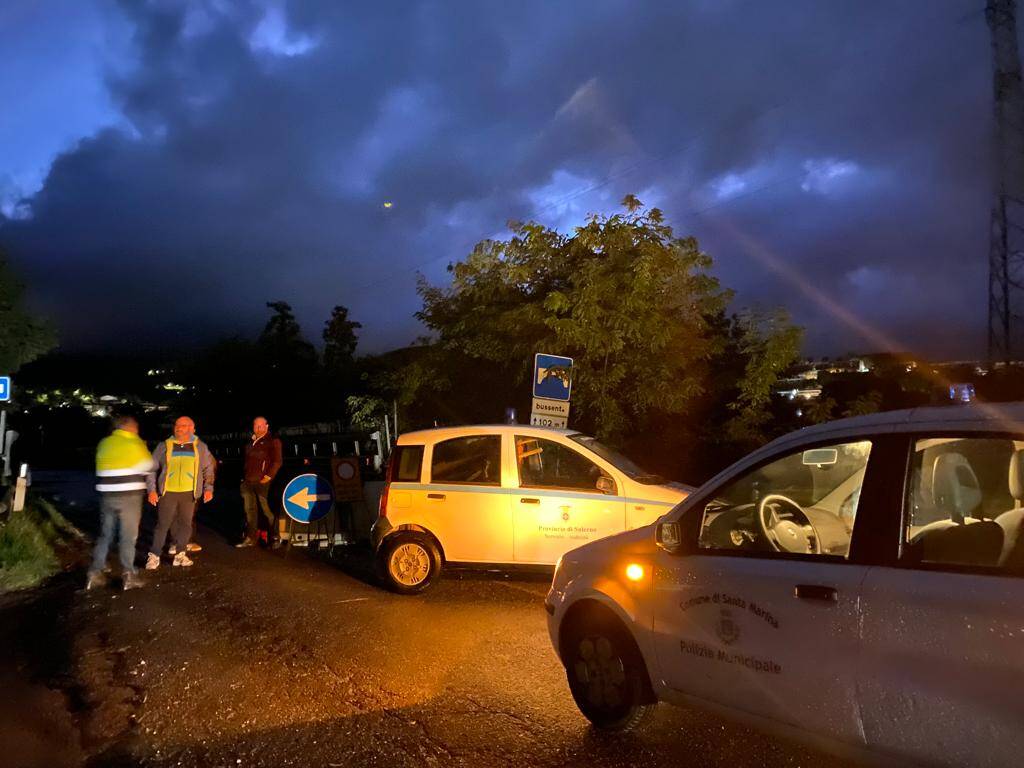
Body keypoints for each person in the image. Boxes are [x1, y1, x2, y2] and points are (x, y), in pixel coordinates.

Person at [87, 414, 153, 591]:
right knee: (128, 536)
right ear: (129, 427)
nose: (137, 430)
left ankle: (94, 572)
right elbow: (148, 466)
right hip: (129, 495)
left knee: (105, 534)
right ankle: (129, 575)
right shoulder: (134, 442)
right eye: (136, 427)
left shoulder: (104, 443)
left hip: (106, 495)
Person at [146, 416, 215, 569]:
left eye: (183, 425)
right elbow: (151, 468)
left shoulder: (200, 447)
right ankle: (154, 556)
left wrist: (208, 489)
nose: (178, 428)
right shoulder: (164, 446)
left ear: (191, 428)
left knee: (185, 525)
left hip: (189, 493)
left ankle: (180, 554)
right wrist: (151, 490)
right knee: (163, 524)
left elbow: (208, 469)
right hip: (168, 493)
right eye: (177, 425)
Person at [237, 416, 283, 548]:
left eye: (261, 425)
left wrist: (268, 476)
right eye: (256, 426)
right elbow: (245, 461)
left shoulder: (273, 441)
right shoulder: (250, 442)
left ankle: (275, 537)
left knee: (266, 510)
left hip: (263, 482)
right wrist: (243, 478)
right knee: (249, 510)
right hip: (248, 481)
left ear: (267, 426)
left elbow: (277, 461)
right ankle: (250, 537)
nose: (258, 428)